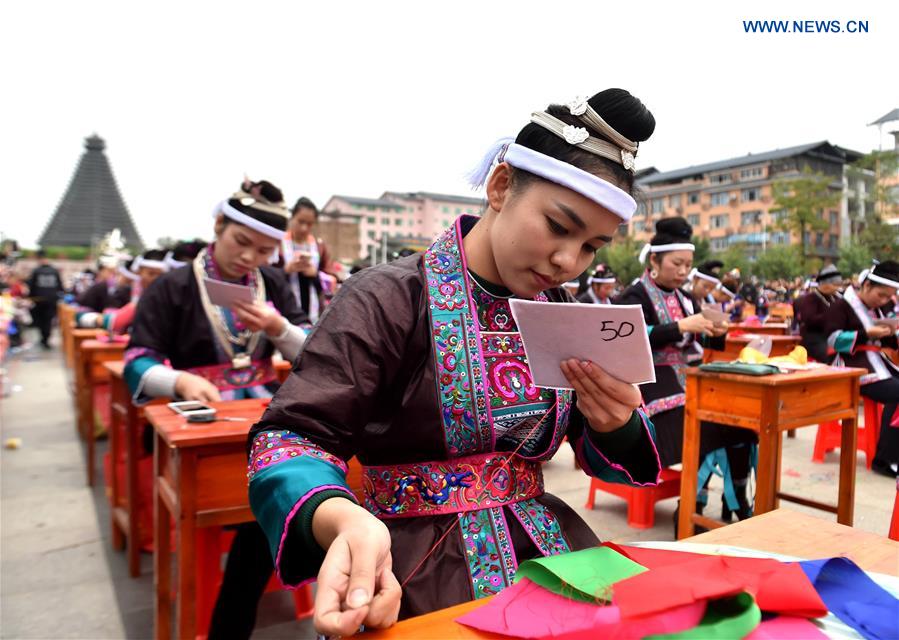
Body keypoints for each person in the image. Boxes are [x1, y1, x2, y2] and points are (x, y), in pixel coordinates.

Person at [248, 89, 663, 636]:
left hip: (547, 555)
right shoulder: (387, 298)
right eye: (559, 227)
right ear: (500, 186)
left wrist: (620, 423)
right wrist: (343, 519)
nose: (568, 261)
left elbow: (601, 445)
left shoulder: (564, 314)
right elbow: (289, 440)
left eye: (591, 246)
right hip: (407, 565)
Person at [124, 179, 309, 639]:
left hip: (262, 419)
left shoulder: (275, 285)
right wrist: (180, 379)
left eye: (264, 251)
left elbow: (313, 351)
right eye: (241, 242)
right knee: (261, 505)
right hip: (197, 424)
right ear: (219, 225)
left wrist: (278, 327)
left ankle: (233, 617)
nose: (250, 258)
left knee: (271, 497)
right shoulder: (172, 287)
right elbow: (136, 361)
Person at [616, 217, 757, 528]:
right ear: (654, 259)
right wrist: (680, 326)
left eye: (687, 265)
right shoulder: (634, 295)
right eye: (676, 264)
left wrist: (718, 330)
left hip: (693, 382)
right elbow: (627, 338)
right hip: (654, 390)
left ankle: (735, 500)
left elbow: (706, 340)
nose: (682, 272)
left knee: (744, 425)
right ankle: (692, 507)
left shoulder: (687, 298)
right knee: (708, 429)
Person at [822, 260, 899, 478]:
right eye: (881, 295)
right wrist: (868, 334)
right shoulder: (840, 306)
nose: (883, 301)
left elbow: (884, 343)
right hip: (852, 367)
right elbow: (833, 340)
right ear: (866, 286)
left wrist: (890, 336)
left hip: (875, 361)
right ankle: (886, 459)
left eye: (888, 297)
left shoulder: (878, 309)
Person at [281, 197, 340, 323]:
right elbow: (265, 274)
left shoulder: (319, 247)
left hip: (313, 312)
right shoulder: (279, 244)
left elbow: (332, 279)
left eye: (309, 224)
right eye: (300, 222)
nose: (304, 228)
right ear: (292, 218)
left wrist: (315, 274)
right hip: (282, 310)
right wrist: (286, 270)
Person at [794, 264, 842, 363]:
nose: (837, 288)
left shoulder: (837, 297)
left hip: (834, 335)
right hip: (815, 338)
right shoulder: (810, 298)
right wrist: (832, 316)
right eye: (835, 285)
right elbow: (809, 319)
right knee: (830, 355)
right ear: (824, 284)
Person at [25, 250, 64, 349]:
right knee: (48, 320)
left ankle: (44, 338)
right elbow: (60, 286)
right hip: (51, 300)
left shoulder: (36, 271)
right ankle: (46, 338)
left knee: (41, 320)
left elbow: (31, 285)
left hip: (39, 299)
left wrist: (30, 297)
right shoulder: (54, 271)